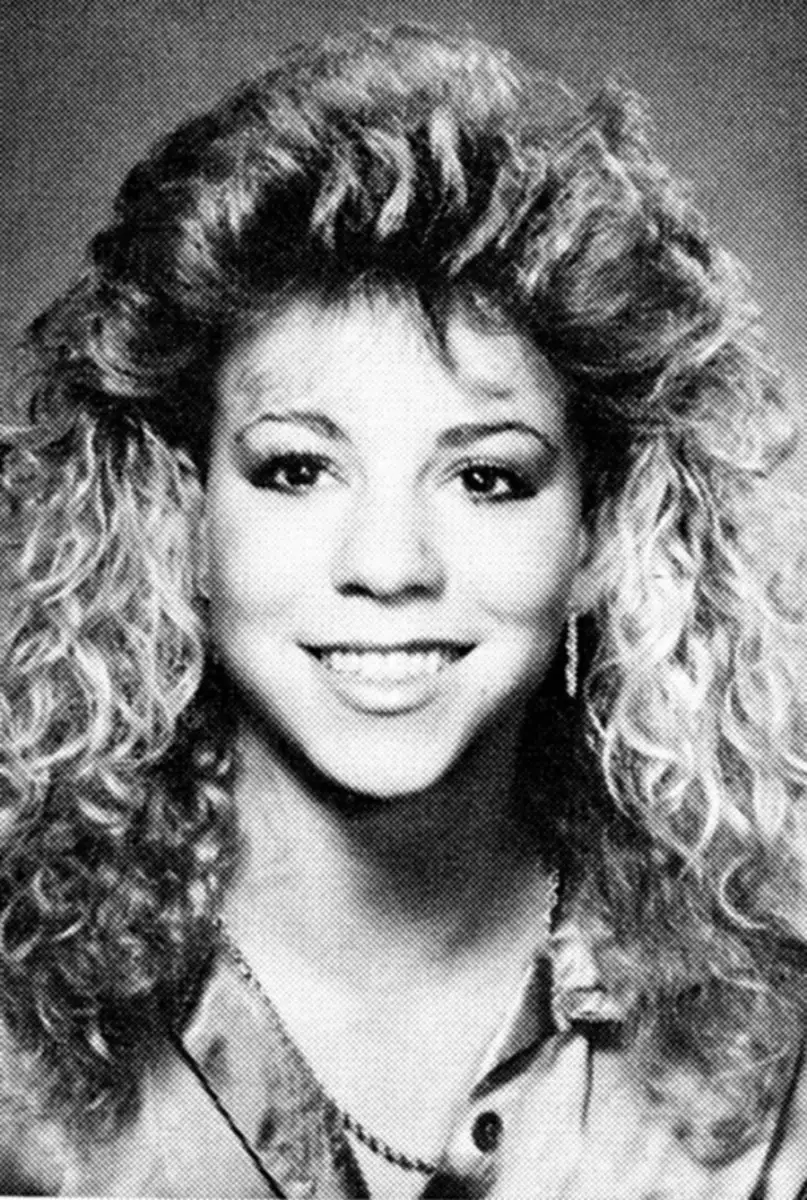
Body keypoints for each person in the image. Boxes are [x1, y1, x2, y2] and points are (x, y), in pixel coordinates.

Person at [1, 22, 806, 1199]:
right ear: (179, 516)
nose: (389, 565)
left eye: (486, 477)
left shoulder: (781, 1065)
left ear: (598, 533)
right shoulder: (15, 1059)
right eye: (294, 468)